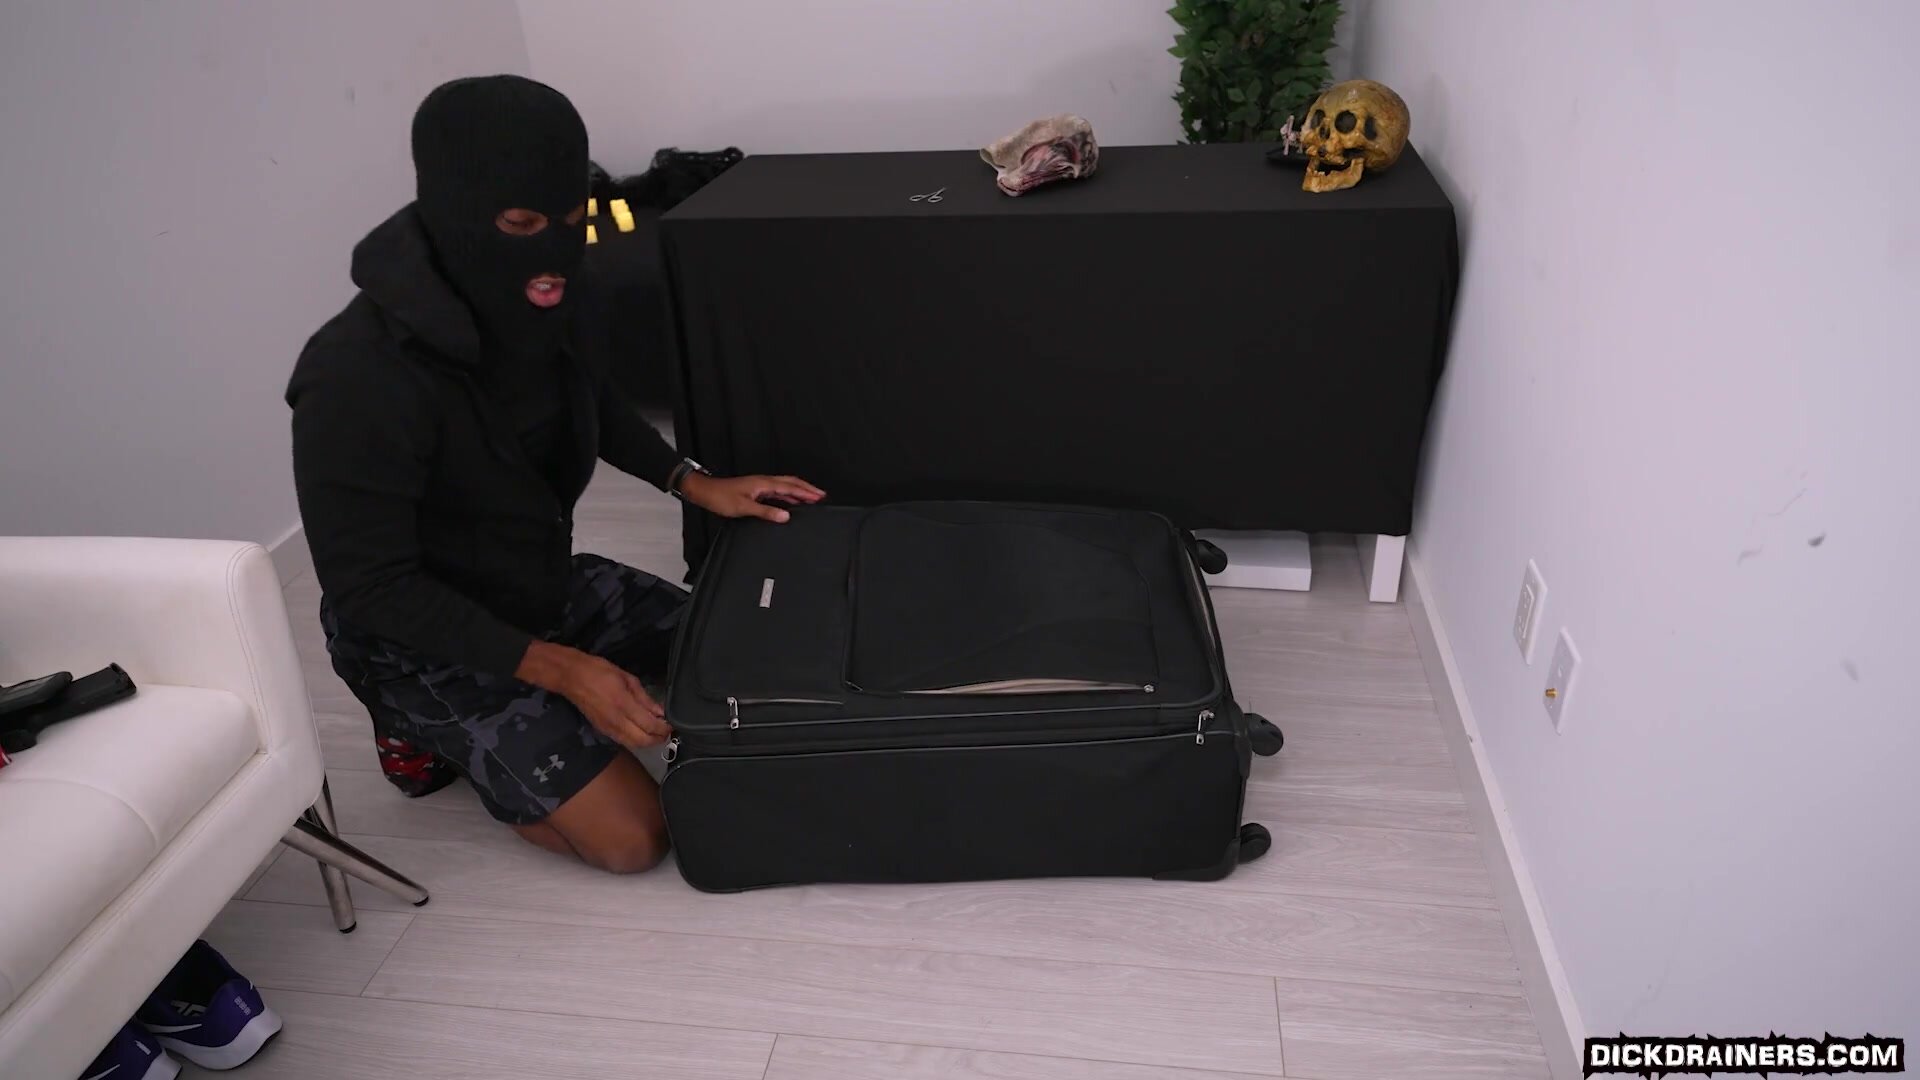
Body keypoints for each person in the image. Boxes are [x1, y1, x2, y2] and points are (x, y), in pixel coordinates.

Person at [285, 74, 823, 873]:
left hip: (532, 582)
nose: (553, 252)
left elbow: (586, 398)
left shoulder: (549, 295)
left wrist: (691, 480)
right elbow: (372, 588)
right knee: (634, 840)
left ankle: (535, 691)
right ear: (456, 212)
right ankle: (415, 728)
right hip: (416, 638)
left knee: (749, 646)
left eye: (571, 220)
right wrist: (565, 673)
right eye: (522, 224)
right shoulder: (354, 376)